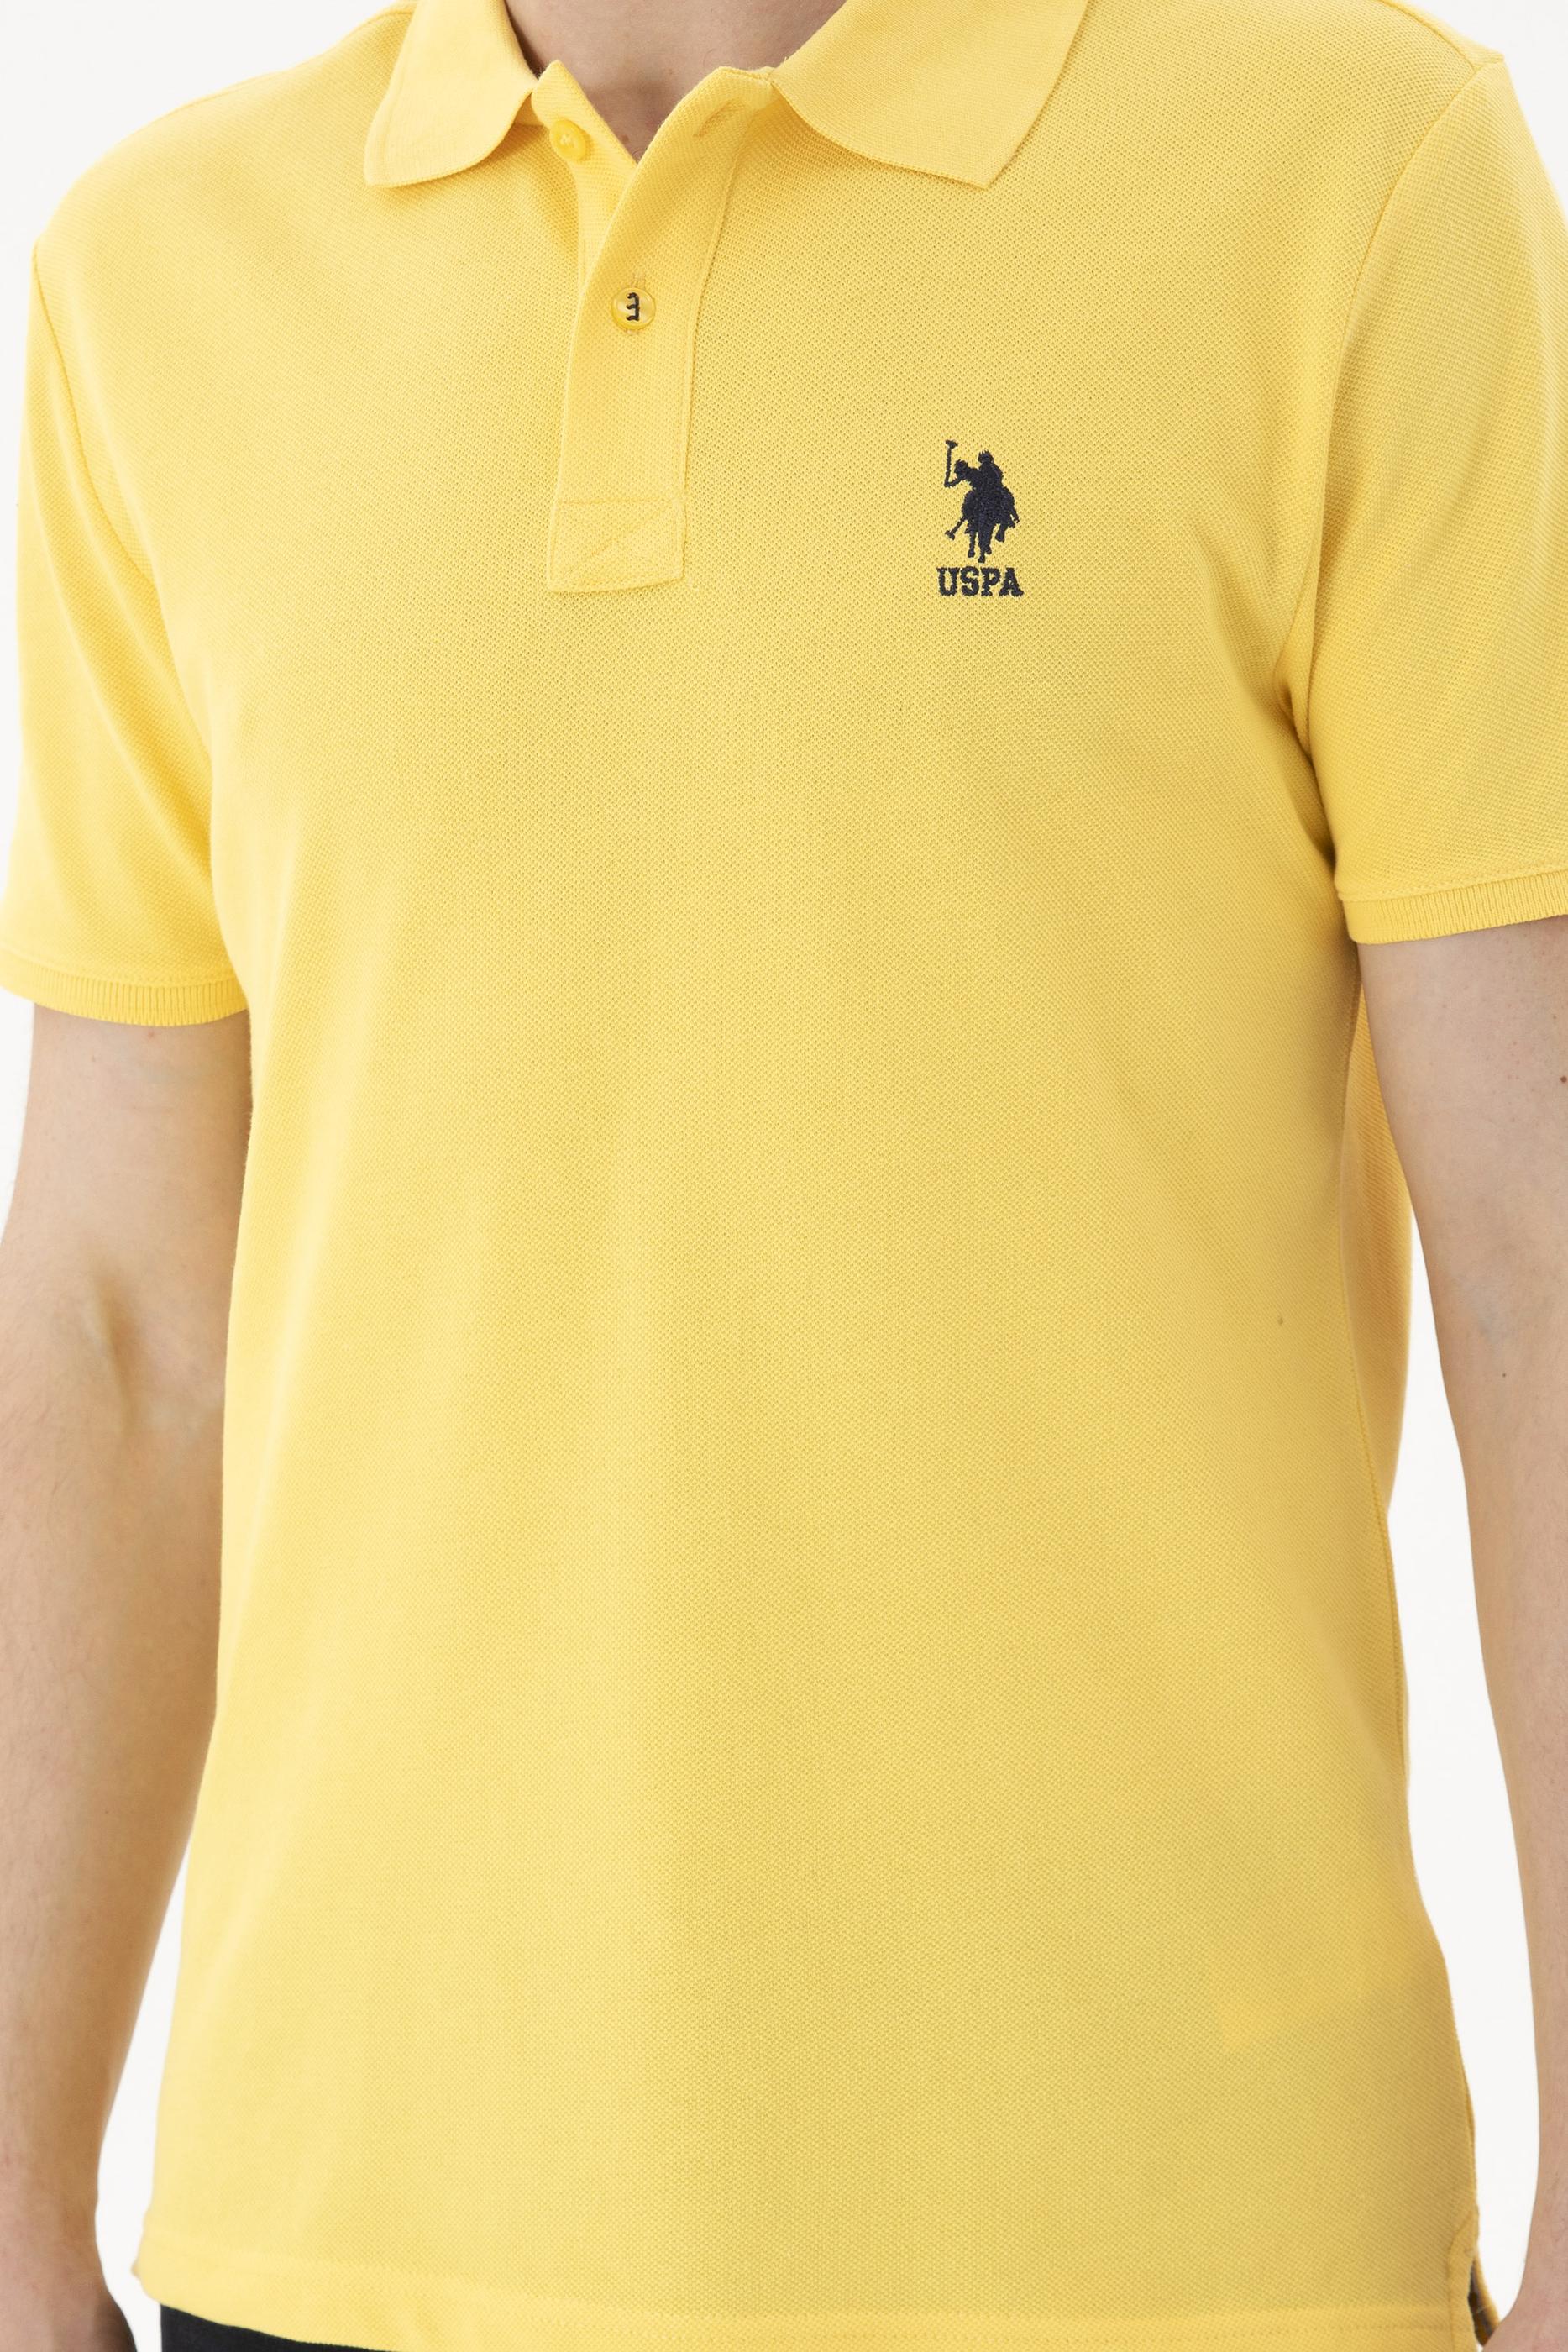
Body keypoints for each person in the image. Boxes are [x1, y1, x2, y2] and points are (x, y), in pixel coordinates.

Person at [2, 0, 1567, 2349]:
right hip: (346, 2231)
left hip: (1172, 2254)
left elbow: (1537, 1254)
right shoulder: (159, 275)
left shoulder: (1354, 172)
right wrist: (14, 2194)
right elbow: (120, 1329)